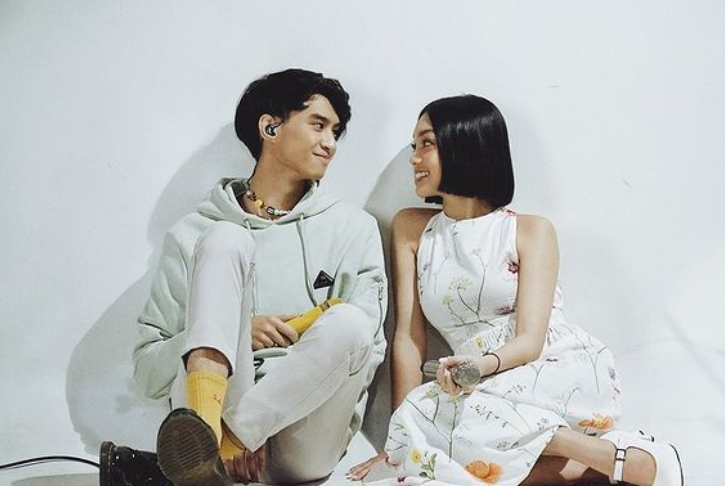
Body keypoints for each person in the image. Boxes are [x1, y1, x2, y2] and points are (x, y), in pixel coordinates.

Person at [349, 95, 683, 486]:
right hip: (472, 384)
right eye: (414, 146)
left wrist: (477, 370)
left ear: (463, 144)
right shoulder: (411, 229)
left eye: (427, 143)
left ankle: (593, 453)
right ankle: (615, 464)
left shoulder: (530, 230)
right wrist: (401, 437)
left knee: (443, 419)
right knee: (429, 425)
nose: (414, 158)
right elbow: (408, 339)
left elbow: (531, 340)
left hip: (549, 367)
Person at [99, 68, 388, 486]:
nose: (330, 143)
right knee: (224, 238)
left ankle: (219, 448)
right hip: (214, 407)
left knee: (351, 322)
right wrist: (234, 332)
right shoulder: (193, 234)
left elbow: (364, 348)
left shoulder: (353, 229)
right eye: (318, 125)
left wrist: (257, 421)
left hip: (305, 438)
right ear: (270, 127)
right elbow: (148, 372)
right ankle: (209, 441)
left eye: (335, 131)